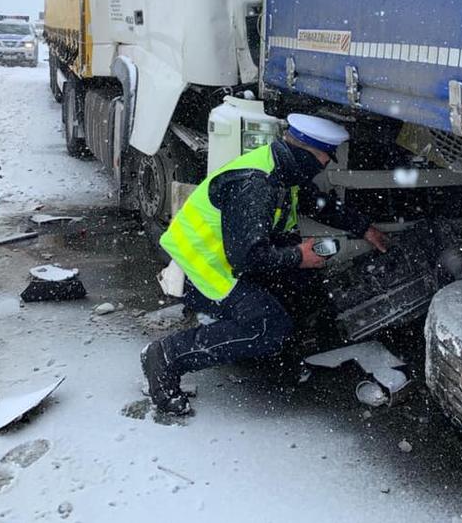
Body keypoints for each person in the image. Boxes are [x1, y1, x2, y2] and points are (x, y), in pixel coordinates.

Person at [141, 113, 388, 414]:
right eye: (325, 157)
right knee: (267, 325)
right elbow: (247, 256)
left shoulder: (284, 170)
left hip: (231, 265)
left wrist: (364, 227)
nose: (327, 164)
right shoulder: (256, 185)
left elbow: (317, 203)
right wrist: (300, 256)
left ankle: (274, 361)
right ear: (305, 152)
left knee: (306, 289)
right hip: (203, 273)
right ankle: (166, 356)